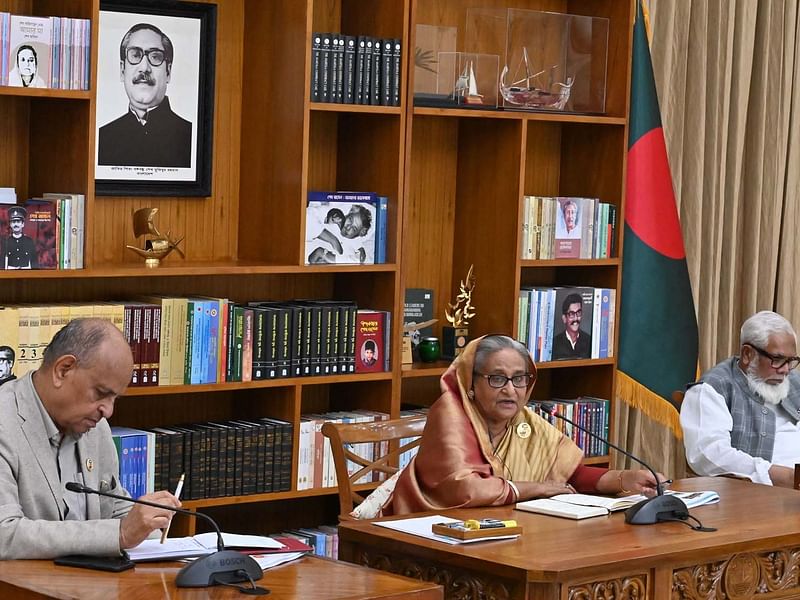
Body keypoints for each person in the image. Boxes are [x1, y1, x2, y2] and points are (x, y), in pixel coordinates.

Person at [383, 335, 662, 515]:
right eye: (497, 378)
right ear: (470, 382)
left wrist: (624, 479)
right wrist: (537, 488)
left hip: (498, 529)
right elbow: (465, 490)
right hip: (426, 528)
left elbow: (568, 474)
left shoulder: (524, 421)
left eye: (519, 379)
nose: (510, 390)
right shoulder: (451, 413)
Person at [0, 318, 181, 559]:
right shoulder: (5, 421)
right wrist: (120, 534)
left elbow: (115, 511)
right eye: (101, 394)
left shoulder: (97, 429)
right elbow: (5, 534)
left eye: (115, 398)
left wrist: (147, 522)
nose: (108, 411)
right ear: (63, 370)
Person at [680, 310, 800, 488]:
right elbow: (707, 454)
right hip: (759, 495)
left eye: (791, 360)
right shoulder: (713, 389)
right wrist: (778, 475)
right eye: (777, 359)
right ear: (747, 354)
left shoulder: (794, 381)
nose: (785, 370)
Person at [97, 23, 192, 168]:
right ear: (122, 70)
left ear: (168, 72)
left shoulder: (189, 136)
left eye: (155, 57)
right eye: (135, 55)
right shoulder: (102, 137)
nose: (144, 68)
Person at [551, 293, 592, 359]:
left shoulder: (589, 341)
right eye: (571, 314)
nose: (576, 318)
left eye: (578, 313)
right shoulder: (554, 343)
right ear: (564, 318)